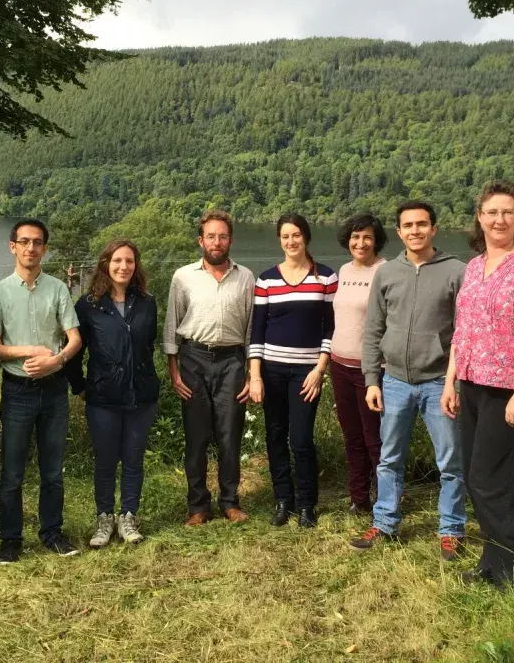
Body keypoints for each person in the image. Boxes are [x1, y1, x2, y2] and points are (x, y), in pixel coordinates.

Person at [443, 181, 514, 588]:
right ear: (480, 217)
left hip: (510, 391)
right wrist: (450, 382)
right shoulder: (473, 268)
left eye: (507, 211)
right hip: (472, 385)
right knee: (477, 477)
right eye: (492, 212)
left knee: (498, 482)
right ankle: (494, 563)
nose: (499, 219)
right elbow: (462, 331)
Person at [352, 200, 467, 560]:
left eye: (422, 224)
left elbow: (465, 334)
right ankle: (385, 523)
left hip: (439, 382)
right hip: (395, 381)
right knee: (389, 458)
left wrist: (456, 383)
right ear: (399, 232)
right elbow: (373, 330)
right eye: (408, 225)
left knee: (450, 462)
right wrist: (373, 379)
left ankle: (451, 529)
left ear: (434, 228)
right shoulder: (387, 274)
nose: (415, 231)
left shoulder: (457, 272)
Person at [0, 218, 82, 562]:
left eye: (37, 242)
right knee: (12, 472)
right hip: (18, 392)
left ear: (44, 248)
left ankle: (52, 533)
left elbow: (75, 338)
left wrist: (57, 361)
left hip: (54, 390)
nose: (31, 248)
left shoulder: (57, 288)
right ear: (13, 246)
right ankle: (10, 541)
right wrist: (31, 352)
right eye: (24, 241)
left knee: (53, 470)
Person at [164, 209, 255, 526]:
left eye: (223, 236)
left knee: (230, 435)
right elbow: (172, 325)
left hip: (232, 361)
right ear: (201, 240)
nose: (217, 242)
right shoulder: (183, 276)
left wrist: (249, 371)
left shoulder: (245, 277)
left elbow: (250, 329)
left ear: (230, 240)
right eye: (211, 236)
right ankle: (198, 506)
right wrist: (173, 369)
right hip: (193, 360)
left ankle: (230, 502)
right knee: (197, 437)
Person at [67, 239, 159, 547]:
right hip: (103, 398)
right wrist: (80, 386)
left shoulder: (147, 302)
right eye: (117, 260)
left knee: (133, 459)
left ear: (136, 266)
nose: (123, 266)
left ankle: (129, 516)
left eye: (130, 261)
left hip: (141, 397)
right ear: (106, 264)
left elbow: (149, 346)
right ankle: (105, 517)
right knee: (105, 461)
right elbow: (74, 350)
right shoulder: (88, 305)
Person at [249, 214, 337, 528]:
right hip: (271, 370)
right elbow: (256, 331)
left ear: (306, 237)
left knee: (301, 440)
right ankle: (282, 501)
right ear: (279, 240)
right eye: (285, 236)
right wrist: (255, 375)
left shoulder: (325, 277)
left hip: (306, 373)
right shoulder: (266, 280)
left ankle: (306, 504)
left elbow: (331, 329)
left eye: (296, 235)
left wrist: (320, 370)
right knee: (275, 435)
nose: (291, 241)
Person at [330, 213, 387, 514]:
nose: (360, 242)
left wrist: (377, 368)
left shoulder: (386, 270)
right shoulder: (343, 269)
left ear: (376, 239)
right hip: (339, 365)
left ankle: (385, 499)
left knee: (374, 438)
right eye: (355, 236)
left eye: (367, 236)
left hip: (371, 370)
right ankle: (359, 497)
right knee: (351, 436)